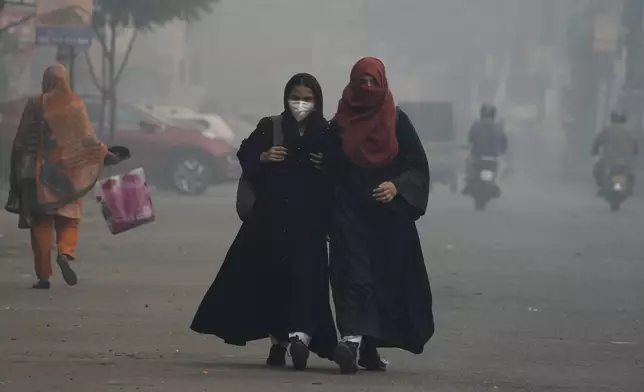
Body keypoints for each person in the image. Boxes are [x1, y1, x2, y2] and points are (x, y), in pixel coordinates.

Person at [190, 73, 337, 371]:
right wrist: (264, 156)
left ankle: (301, 337)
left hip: (309, 223)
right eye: (296, 97)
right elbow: (245, 153)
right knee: (272, 282)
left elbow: (341, 169)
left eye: (307, 98)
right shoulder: (272, 126)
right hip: (270, 221)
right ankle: (278, 344)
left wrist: (329, 165)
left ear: (317, 100)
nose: (301, 104)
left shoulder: (326, 132)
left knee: (306, 282)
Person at [324, 57, 434, 374]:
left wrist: (397, 186)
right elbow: (325, 169)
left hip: (388, 219)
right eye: (362, 82)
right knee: (351, 275)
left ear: (382, 83)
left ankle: (367, 350)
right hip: (348, 214)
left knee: (384, 281)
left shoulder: (397, 121)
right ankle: (351, 340)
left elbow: (417, 166)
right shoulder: (339, 124)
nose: (368, 88)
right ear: (352, 85)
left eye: (373, 82)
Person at [4, 64, 125, 290]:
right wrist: (106, 154)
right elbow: (87, 139)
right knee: (69, 219)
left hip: (35, 176)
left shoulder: (35, 104)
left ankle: (43, 276)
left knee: (40, 224)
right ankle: (65, 252)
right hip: (67, 173)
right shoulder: (75, 105)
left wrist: (17, 174)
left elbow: (20, 141)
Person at [463, 104, 508, 195]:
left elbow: (470, 139)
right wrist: (502, 151)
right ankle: (495, 184)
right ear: (493, 114)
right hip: (493, 157)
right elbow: (504, 142)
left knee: (468, 162)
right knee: (501, 168)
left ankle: (469, 184)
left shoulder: (476, 125)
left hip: (477, 156)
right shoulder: (499, 126)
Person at [592, 111, 639, 195]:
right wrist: (635, 152)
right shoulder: (630, 132)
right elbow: (635, 146)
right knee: (631, 173)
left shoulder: (607, 130)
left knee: (597, 170)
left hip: (609, 160)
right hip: (625, 161)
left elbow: (597, 142)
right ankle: (628, 189)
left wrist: (594, 151)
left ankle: (603, 186)